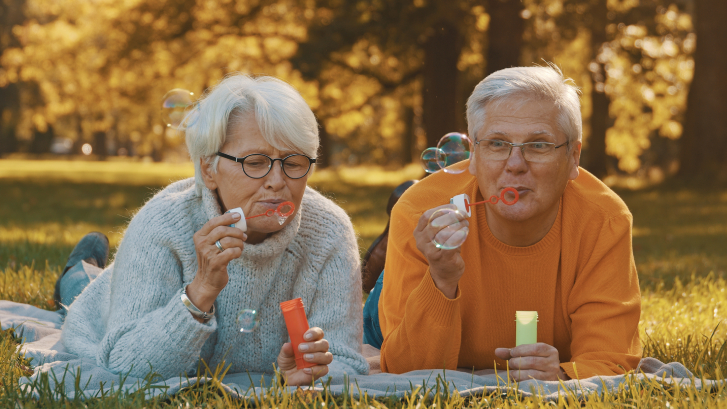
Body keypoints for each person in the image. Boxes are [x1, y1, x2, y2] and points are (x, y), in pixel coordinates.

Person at [56, 74, 369, 385]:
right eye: (256, 162)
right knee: (83, 285)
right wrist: (200, 290)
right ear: (209, 169)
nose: (277, 181)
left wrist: (309, 374)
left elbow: (344, 360)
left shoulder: (330, 232)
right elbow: (125, 363)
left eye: (294, 162)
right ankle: (78, 270)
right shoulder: (162, 223)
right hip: (103, 306)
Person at [378, 65, 642, 380]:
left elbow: (610, 361)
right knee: (369, 330)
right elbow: (406, 371)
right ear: (473, 155)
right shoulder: (418, 212)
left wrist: (561, 375)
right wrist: (441, 279)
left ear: (574, 157)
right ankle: (378, 265)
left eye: (539, 145)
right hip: (408, 290)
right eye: (497, 144)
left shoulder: (603, 220)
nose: (515, 165)